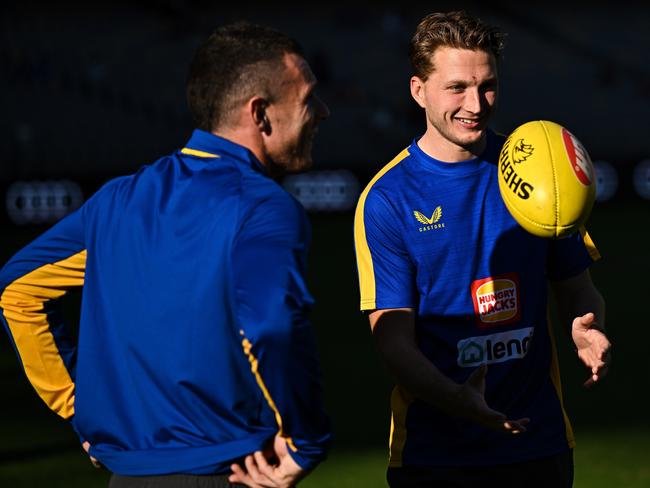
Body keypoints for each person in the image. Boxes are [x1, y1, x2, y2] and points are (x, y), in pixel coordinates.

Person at [0, 22, 331, 488]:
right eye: (308, 99)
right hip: (233, 474)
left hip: (127, 477)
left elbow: (18, 288)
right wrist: (306, 440)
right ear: (260, 114)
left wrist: (85, 407)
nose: (323, 112)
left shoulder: (117, 200)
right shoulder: (262, 206)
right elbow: (271, 325)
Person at [353, 10, 611, 488]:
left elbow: (579, 288)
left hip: (538, 446)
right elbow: (392, 340)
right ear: (418, 90)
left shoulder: (539, 170)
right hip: (434, 455)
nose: (476, 103)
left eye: (487, 85)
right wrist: (457, 399)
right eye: (457, 88)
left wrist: (585, 327)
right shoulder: (387, 198)